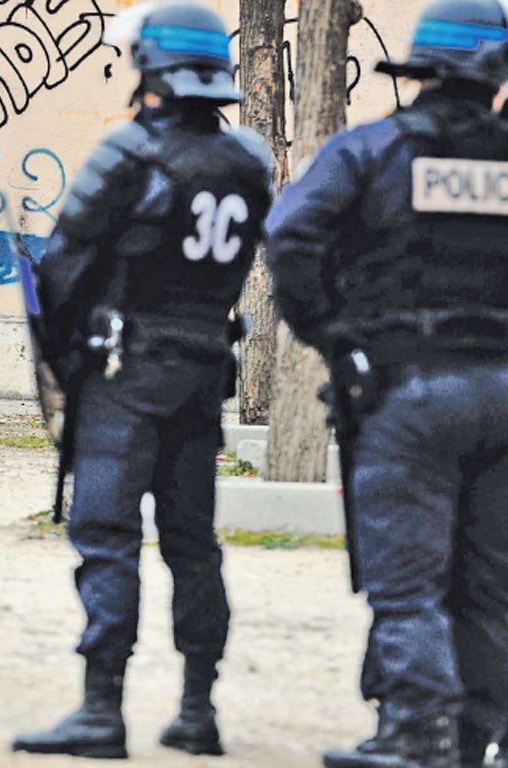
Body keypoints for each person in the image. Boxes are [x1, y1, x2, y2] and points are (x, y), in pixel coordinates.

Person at [10, 1, 272, 759]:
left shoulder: (129, 153)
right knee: (193, 542)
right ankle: (198, 710)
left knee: (108, 535)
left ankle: (101, 711)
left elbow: (62, 266)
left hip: (124, 372)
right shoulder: (249, 160)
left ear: (153, 68)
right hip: (201, 374)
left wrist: (62, 357)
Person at [265, 2, 508, 766]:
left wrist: (340, 338)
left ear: (420, 71)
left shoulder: (370, 149)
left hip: (410, 393)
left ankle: (418, 731)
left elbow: (290, 237)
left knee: (409, 580)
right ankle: (474, 738)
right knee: (491, 581)